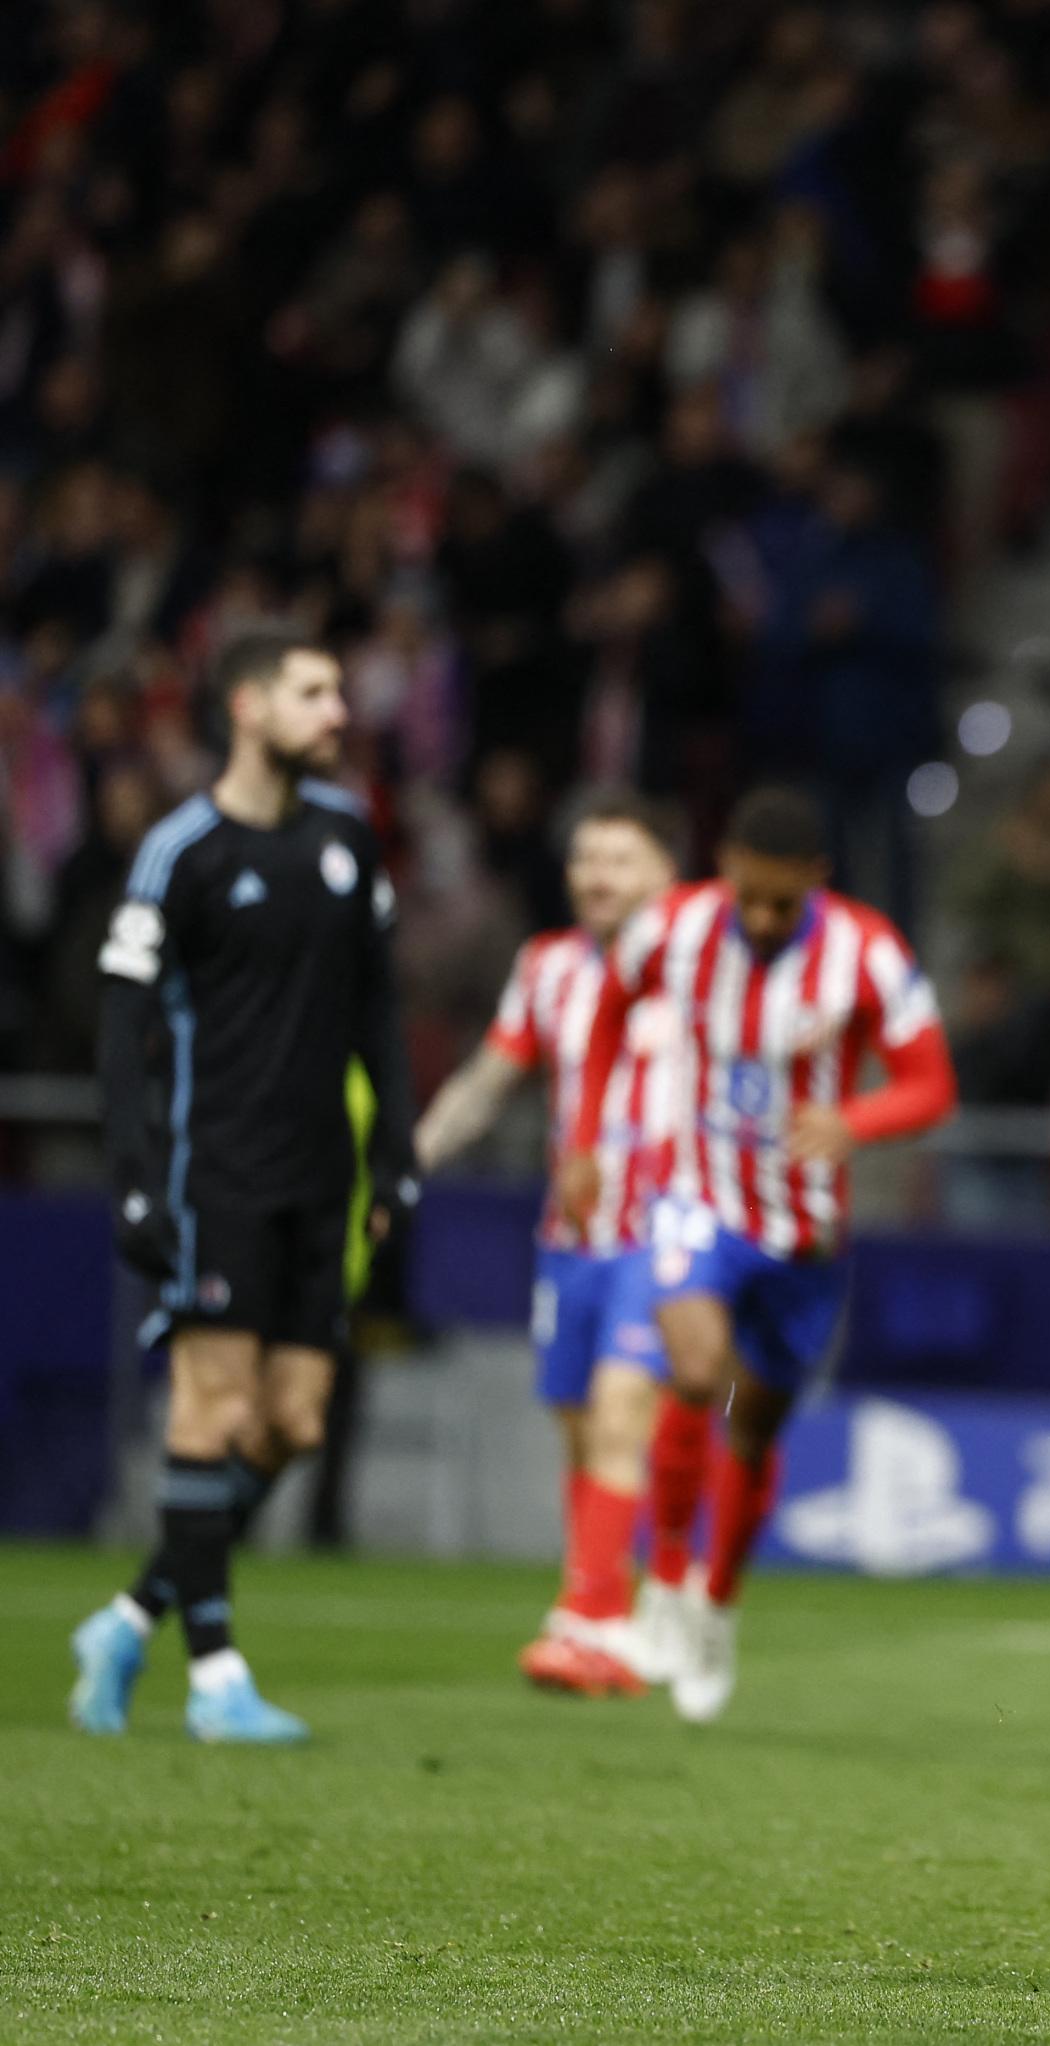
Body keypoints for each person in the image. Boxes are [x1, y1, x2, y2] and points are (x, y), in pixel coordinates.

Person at [69, 630, 419, 1744]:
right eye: (313, 692)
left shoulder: (349, 834)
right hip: (211, 1165)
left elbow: (377, 1005)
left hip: (324, 1171)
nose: (337, 710)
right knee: (213, 1407)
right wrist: (130, 1177)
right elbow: (121, 1024)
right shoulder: (182, 851)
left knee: (295, 1421)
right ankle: (214, 1675)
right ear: (248, 705)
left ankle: (129, 1617)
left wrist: (396, 1148)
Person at [560, 785, 954, 1723]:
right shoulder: (678, 927)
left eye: (784, 902)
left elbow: (930, 1084)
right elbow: (610, 1010)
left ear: (815, 882)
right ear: (726, 872)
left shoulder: (869, 952)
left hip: (805, 1232)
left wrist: (854, 1118)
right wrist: (584, 1137)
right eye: (751, 896)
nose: (766, 918)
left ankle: (715, 1603)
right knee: (692, 1368)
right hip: (696, 1197)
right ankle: (662, 1581)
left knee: (756, 1424)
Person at [413, 794, 681, 1696]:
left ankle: (578, 1618)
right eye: (586, 858)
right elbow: (492, 1077)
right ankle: (608, 1624)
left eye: (621, 859)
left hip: (669, 1234)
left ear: (666, 878)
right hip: (572, 1240)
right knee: (578, 1429)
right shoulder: (548, 966)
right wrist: (409, 1158)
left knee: (619, 1413)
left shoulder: (702, 971)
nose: (597, 876)